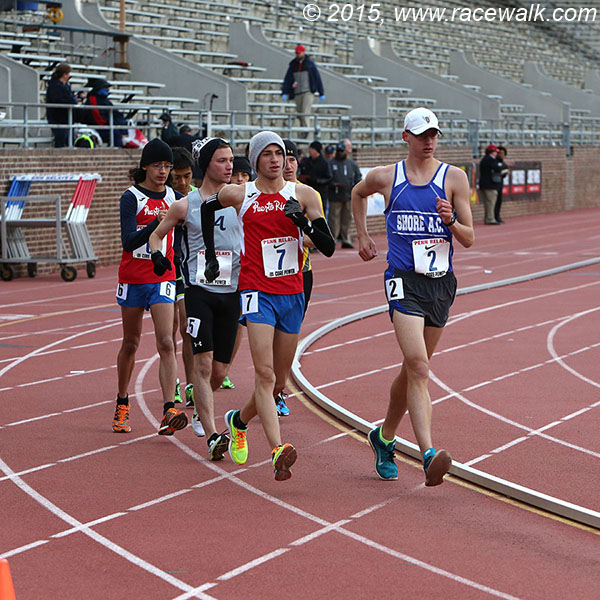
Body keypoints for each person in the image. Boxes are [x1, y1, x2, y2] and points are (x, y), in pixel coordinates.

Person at [200, 131, 335, 480]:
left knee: (276, 383)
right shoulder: (240, 193)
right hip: (256, 291)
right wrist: (212, 256)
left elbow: (329, 245)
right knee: (264, 373)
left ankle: (238, 420)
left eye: (281, 153)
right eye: (268, 154)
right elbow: (205, 206)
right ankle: (278, 449)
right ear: (256, 159)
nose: (276, 160)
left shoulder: (304, 194)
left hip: (292, 293)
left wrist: (302, 222)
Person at [351, 107, 474, 486]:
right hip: (402, 281)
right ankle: (427, 453)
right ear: (406, 136)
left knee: (411, 370)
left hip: (440, 284)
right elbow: (358, 193)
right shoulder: (387, 177)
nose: (429, 141)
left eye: (434, 134)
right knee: (419, 367)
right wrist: (363, 234)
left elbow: (469, 238)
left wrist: (451, 220)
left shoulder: (453, 177)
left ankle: (383, 437)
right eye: (421, 135)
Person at [148, 137, 238, 460]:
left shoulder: (241, 199)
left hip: (233, 293)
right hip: (200, 292)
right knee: (201, 365)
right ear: (206, 165)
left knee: (219, 372)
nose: (229, 166)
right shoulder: (185, 205)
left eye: (231, 160)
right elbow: (156, 236)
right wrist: (159, 257)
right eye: (222, 161)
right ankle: (214, 435)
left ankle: (204, 408)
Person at [112, 138, 188, 437]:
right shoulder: (131, 197)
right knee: (131, 342)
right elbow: (129, 242)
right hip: (133, 278)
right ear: (144, 166)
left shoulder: (176, 197)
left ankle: (169, 409)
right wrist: (154, 225)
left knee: (167, 342)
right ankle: (122, 401)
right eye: (158, 165)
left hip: (162, 277)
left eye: (168, 166)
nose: (163, 171)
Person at [169, 147, 197, 412]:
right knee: (169, 331)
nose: (182, 183)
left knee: (188, 328)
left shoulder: (198, 197)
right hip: (168, 269)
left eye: (186, 176)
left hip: (189, 270)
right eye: (176, 177)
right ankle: (173, 381)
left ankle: (190, 384)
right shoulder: (168, 199)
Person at [281, 44, 325, 135]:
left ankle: (305, 131)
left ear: (303, 52)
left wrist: (321, 92)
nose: (297, 55)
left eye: (299, 53)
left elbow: (317, 78)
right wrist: (285, 91)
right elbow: (288, 78)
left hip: (307, 92)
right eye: (296, 53)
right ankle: (302, 130)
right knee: (300, 112)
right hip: (297, 92)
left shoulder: (310, 64)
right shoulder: (293, 65)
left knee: (305, 112)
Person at [329, 141, 362, 249]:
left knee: (347, 218)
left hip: (348, 194)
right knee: (334, 218)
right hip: (335, 194)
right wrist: (332, 184)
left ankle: (345, 239)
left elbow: (358, 177)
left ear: (345, 152)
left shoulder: (351, 164)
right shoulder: (331, 163)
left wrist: (355, 188)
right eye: (338, 151)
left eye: (341, 151)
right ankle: (333, 239)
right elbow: (327, 177)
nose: (340, 153)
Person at [84, 78, 128, 147]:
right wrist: (114, 123)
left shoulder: (105, 100)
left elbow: (117, 114)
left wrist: (123, 123)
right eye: (106, 88)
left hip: (109, 126)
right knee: (115, 133)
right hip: (98, 128)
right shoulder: (93, 99)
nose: (108, 90)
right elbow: (99, 119)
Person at [45, 62, 80, 148]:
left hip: (66, 117)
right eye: (68, 74)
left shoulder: (66, 86)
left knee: (69, 139)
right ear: (64, 74)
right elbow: (57, 100)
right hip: (57, 117)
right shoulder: (54, 86)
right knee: (61, 139)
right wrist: (73, 100)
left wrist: (76, 97)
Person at [298, 141, 332, 219]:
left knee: (320, 215)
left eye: (312, 149)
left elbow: (329, 178)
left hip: (320, 193)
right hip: (306, 192)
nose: (310, 151)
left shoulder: (324, 163)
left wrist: (316, 180)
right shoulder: (306, 161)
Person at [478, 144, 503, 225]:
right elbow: (498, 168)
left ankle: (487, 218)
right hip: (490, 185)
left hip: (483, 184)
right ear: (492, 152)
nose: (496, 154)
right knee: (490, 203)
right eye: (496, 152)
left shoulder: (484, 159)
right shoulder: (491, 160)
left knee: (487, 203)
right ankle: (490, 219)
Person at [494, 146, 509, 224]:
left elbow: (504, 171)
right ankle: (493, 217)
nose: (501, 154)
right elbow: (498, 170)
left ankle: (497, 216)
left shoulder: (503, 163)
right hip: (494, 185)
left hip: (500, 185)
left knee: (499, 201)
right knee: (494, 202)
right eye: (500, 153)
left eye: (503, 153)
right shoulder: (495, 162)